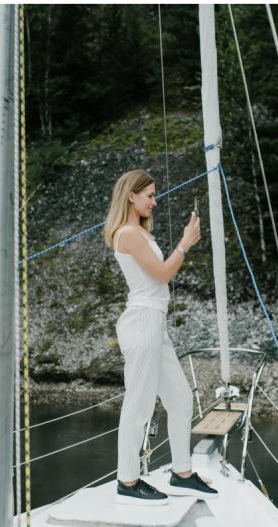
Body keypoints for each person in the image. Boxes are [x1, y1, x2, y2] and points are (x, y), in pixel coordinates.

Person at [103, 169, 218, 507]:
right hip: (142, 322)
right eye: (150, 195)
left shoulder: (140, 233)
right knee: (138, 403)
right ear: (131, 196)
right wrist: (185, 242)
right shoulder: (128, 233)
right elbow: (162, 274)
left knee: (180, 398)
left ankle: (181, 473)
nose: (155, 201)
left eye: (154, 195)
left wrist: (183, 243)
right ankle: (128, 479)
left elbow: (158, 279)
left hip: (155, 322)